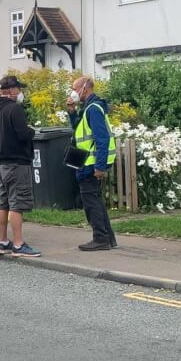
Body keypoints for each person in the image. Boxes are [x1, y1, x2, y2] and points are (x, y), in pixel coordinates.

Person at [0, 76, 40, 258]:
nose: (20, 93)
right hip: (17, 162)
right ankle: (18, 244)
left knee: (3, 202)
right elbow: (23, 134)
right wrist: (31, 130)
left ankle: (3, 241)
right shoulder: (14, 109)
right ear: (11, 91)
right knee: (17, 203)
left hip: (1, 162)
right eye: (18, 89)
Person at [67, 76, 118, 251]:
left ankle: (100, 239)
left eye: (75, 88)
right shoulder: (88, 108)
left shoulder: (93, 109)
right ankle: (108, 238)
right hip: (87, 161)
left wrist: (99, 166)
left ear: (85, 88)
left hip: (90, 162)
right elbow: (79, 131)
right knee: (95, 200)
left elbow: (101, 139)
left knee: (91, 202)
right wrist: (72, 113)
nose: (73, 92)